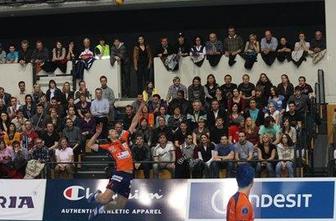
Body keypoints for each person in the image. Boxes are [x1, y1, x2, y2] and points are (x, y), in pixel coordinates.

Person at [86, 102, 142, 220]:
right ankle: (97, 195)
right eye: (111, 131)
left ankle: (100, 210)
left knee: (120, 205)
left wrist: (140, 108)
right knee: (104, 199)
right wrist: (97, 133)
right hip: (119, 174)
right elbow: (90, 145)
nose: (114, 131)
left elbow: (134, 123)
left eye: (115, 130)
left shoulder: (124, 138)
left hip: (129, 176)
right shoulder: (108, 146)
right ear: (109, 136)